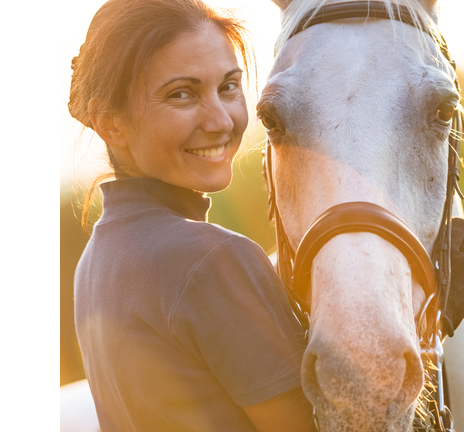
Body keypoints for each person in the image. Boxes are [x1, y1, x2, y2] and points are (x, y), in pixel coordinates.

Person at [68, 0, 316, 430]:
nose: (220, 120)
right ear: (111, 122)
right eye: (181, 94)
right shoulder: (212, 258)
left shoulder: (96, 260)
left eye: (228, 87)